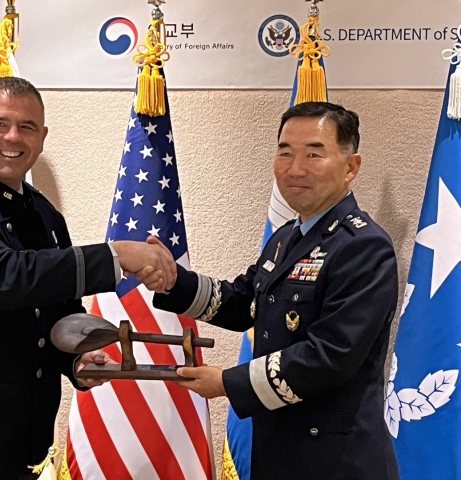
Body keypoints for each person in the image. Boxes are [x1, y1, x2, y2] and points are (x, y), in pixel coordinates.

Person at [0, 76, 175, 480]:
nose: (12, 137)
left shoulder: (44, 214)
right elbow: (7, 280)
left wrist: (76, 360)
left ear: (42, 137)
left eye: (26, 127)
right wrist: (116, 255)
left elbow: (54, 312)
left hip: (21, 441)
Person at [144, 102, 400, 479]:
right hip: (278, 452)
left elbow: (330, 355)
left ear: (351, 167)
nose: (295, 169)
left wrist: (228, 383)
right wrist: (173, 281)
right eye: (285, 153)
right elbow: (243, 302)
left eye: (314, 154)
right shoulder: (286, 238)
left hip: (335, 461)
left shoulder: (363, 246)